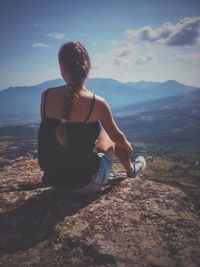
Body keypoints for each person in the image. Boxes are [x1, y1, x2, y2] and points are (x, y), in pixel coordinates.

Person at [38, 41, 146, 194]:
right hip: (85, 183)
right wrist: (128, 148)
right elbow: (117, 137)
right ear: (87, 68)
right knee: (109, 133)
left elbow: (53, 135)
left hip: (54, 182)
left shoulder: (46, 95)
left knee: (99, 141)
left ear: (62, 68)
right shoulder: (97, 102)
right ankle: (131, 169)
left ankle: (127, 168)